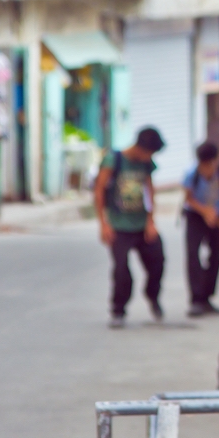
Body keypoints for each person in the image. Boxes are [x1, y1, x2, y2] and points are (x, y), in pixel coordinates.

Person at [94, 127, 168, 329]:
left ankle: (153, 296)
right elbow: (99, 189)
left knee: (157, 261)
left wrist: (151, 221)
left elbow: (149, 189)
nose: (149, 157)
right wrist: (103, 223)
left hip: (141, 224)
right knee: (121, 271)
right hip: (119, 225)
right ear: (140, 147)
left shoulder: (146, 165)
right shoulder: (114, 160)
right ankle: (118, 310)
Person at [182, 141, 219, 317]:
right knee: (193, 254)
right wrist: (205, 211)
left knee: (215, 256)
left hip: (218, 215)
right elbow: (188, 198)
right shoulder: (191, 173)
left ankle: (207, 297)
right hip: (196, 215)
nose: (206, 169)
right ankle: (196, 299)